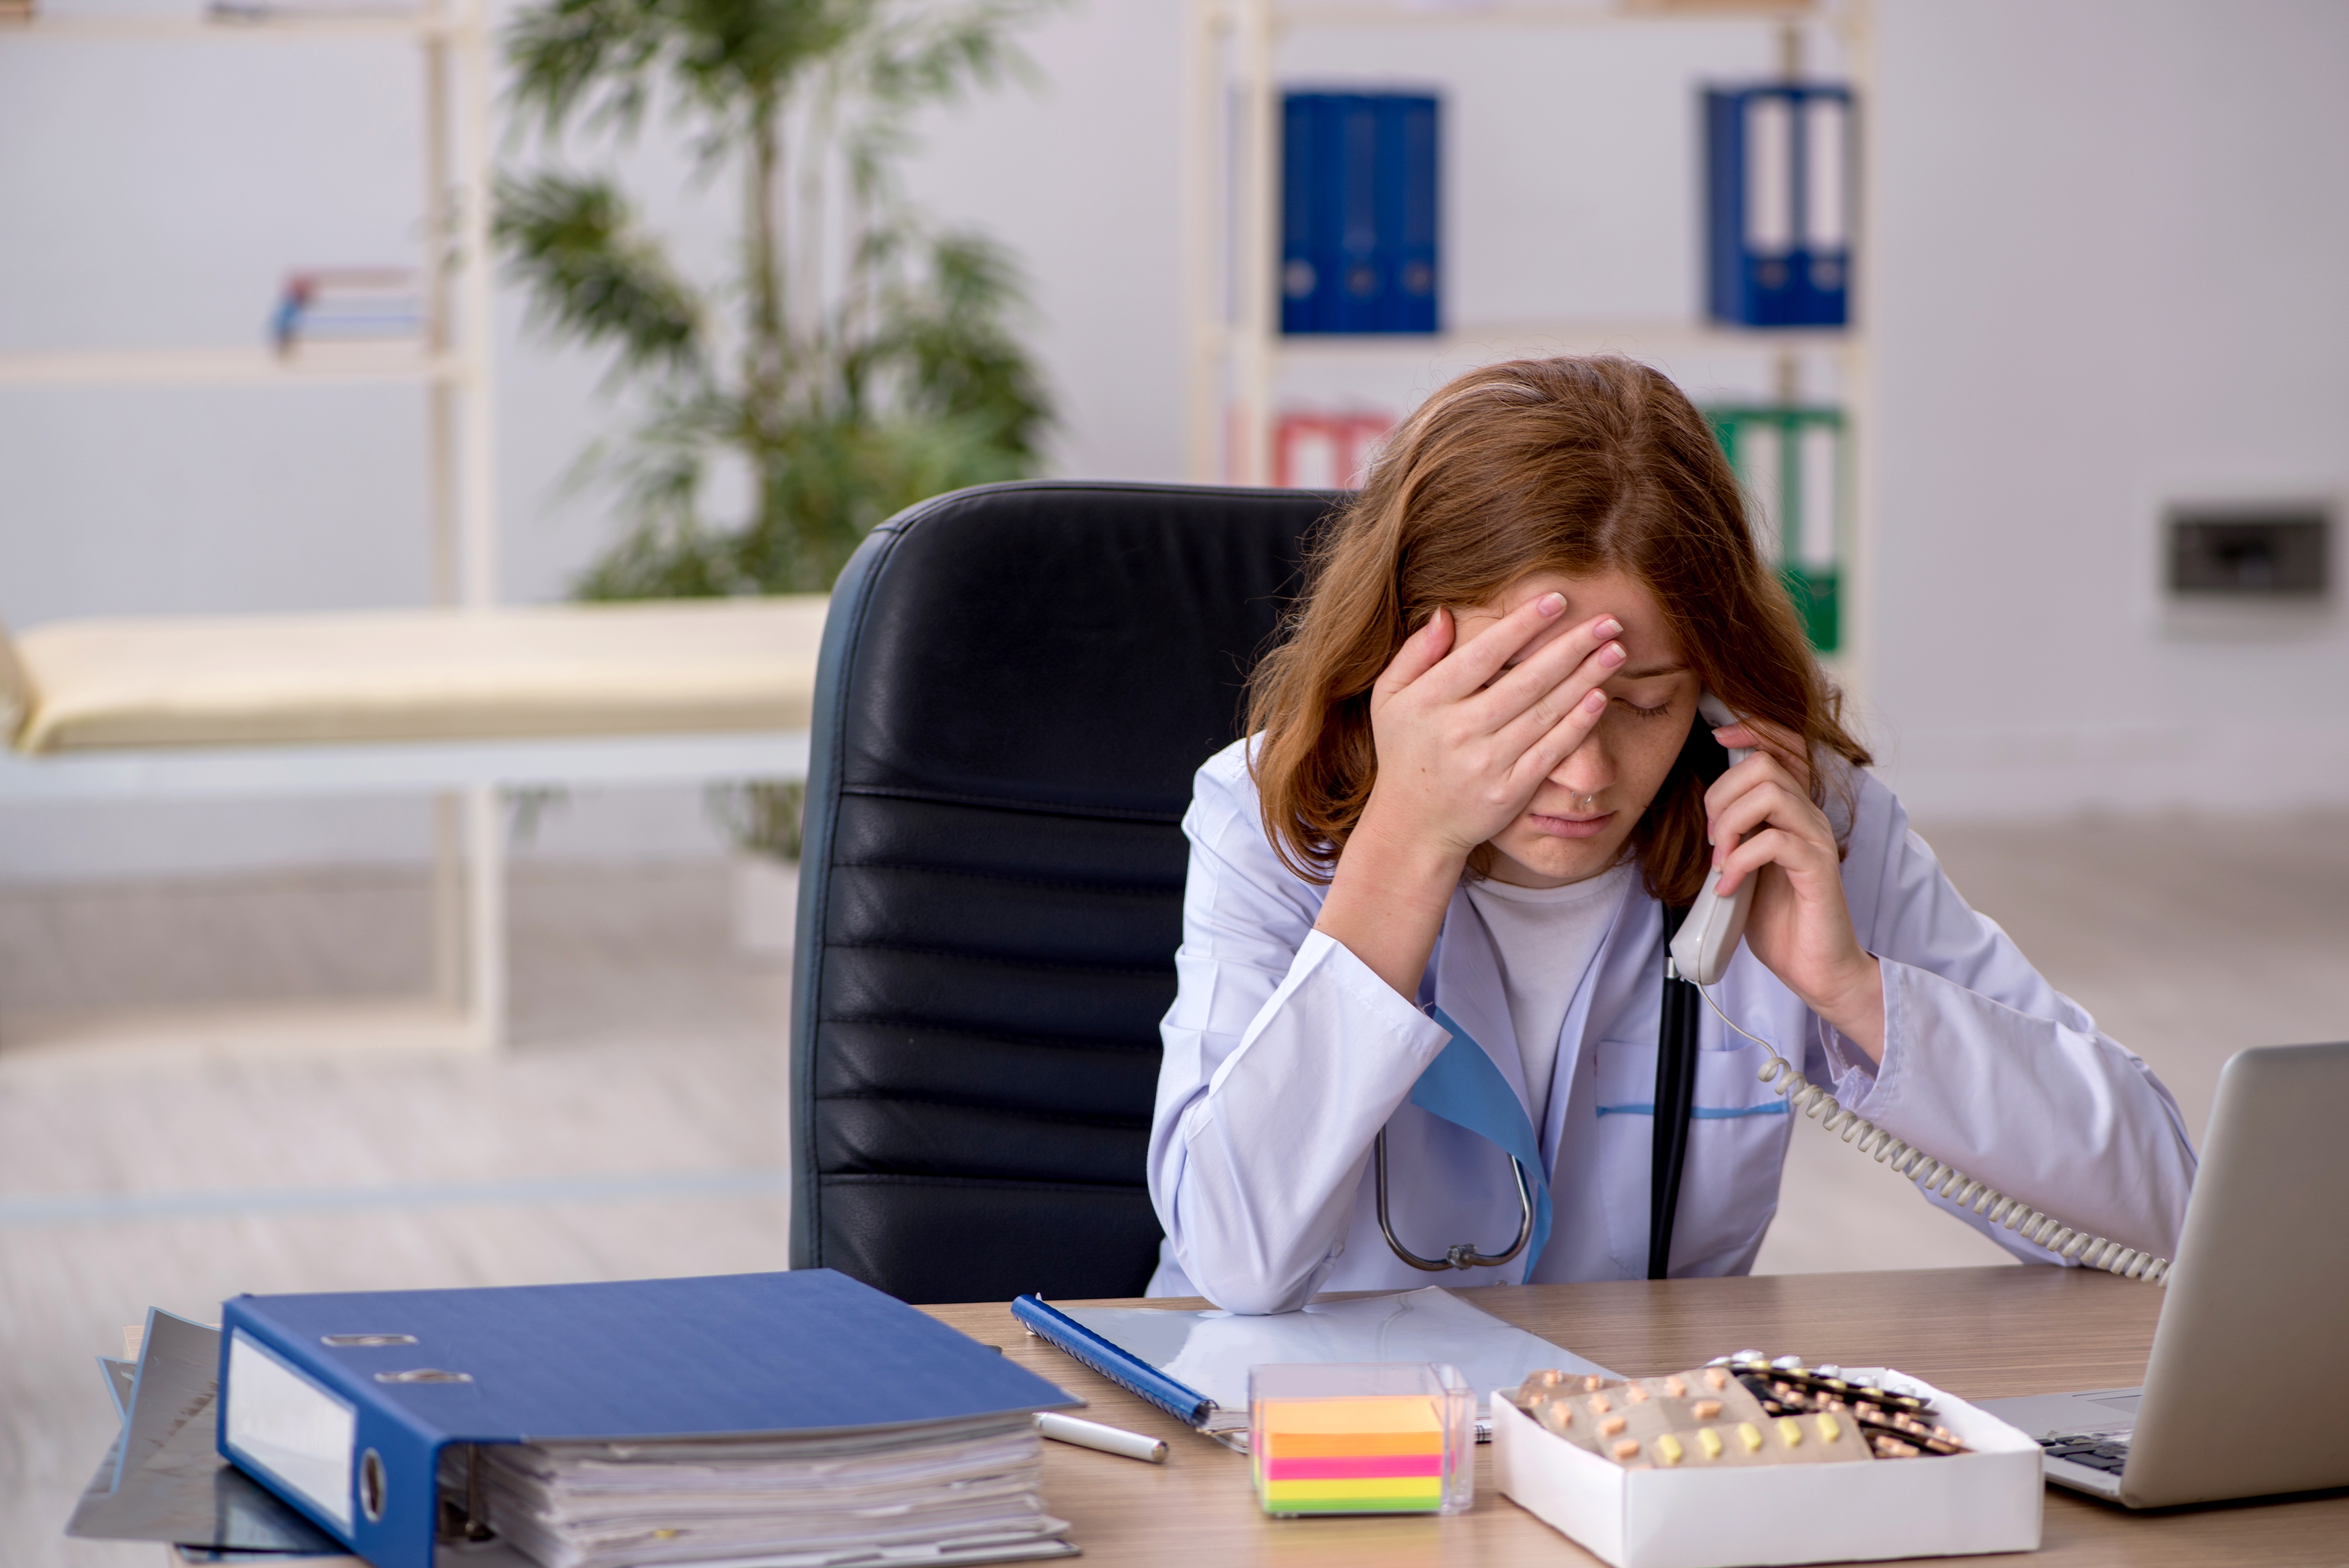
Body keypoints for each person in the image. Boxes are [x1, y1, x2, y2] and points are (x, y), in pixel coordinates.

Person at [1145, 356, 2196, 1314]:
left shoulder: (1790, 820)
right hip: (1327, 1454)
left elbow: (2164, 1215)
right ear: (1405, 664)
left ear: (1708, 680)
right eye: (1522, 698)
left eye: (1644, 703)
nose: (1586, 771)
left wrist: (1854, 991)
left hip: (1635, 1459)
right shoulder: (1269, 818)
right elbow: (1234, 1261)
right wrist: (1401, 852)